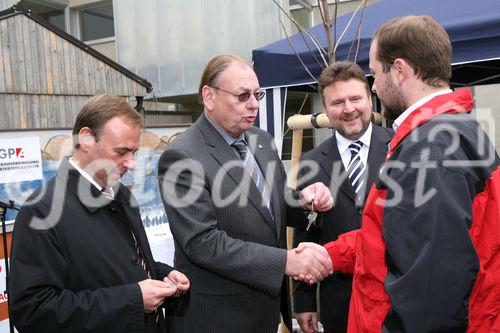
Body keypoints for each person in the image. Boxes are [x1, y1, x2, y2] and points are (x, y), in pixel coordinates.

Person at [307, 15, 500, 332]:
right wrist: (332, 255)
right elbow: (395, 238)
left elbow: (433, 291)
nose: (375, 86)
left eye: (374, 73)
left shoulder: (429, 149)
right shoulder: (450, 131)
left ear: (399, 70)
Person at [157, 54, 334, 333]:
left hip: (264, 312)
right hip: (218, 317)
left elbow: (271, 203)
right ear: (209, 96)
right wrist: (285, 261)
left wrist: (306, 201)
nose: (253, 104)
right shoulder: (182, 156)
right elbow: (202, 242)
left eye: (257, 94)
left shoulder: (261, 140)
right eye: (242, 96)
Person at [10, 94, 190, 333]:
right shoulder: (41, 211)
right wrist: (133, 300)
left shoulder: (122, 195)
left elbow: (126, 265)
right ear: (86, 139)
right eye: (121, 152)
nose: (131, 163)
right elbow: (32, 311)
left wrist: (164, 277)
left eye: (134, 152)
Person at [292, 62, 393, 333]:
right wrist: (303, 300)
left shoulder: (400, 147)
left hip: (394, 298)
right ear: (325, 108)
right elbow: (306, 234)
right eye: (337, 102)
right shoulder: (312, 161)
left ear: (369, 99)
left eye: (355, 98)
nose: (348, 109)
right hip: (339, 301)